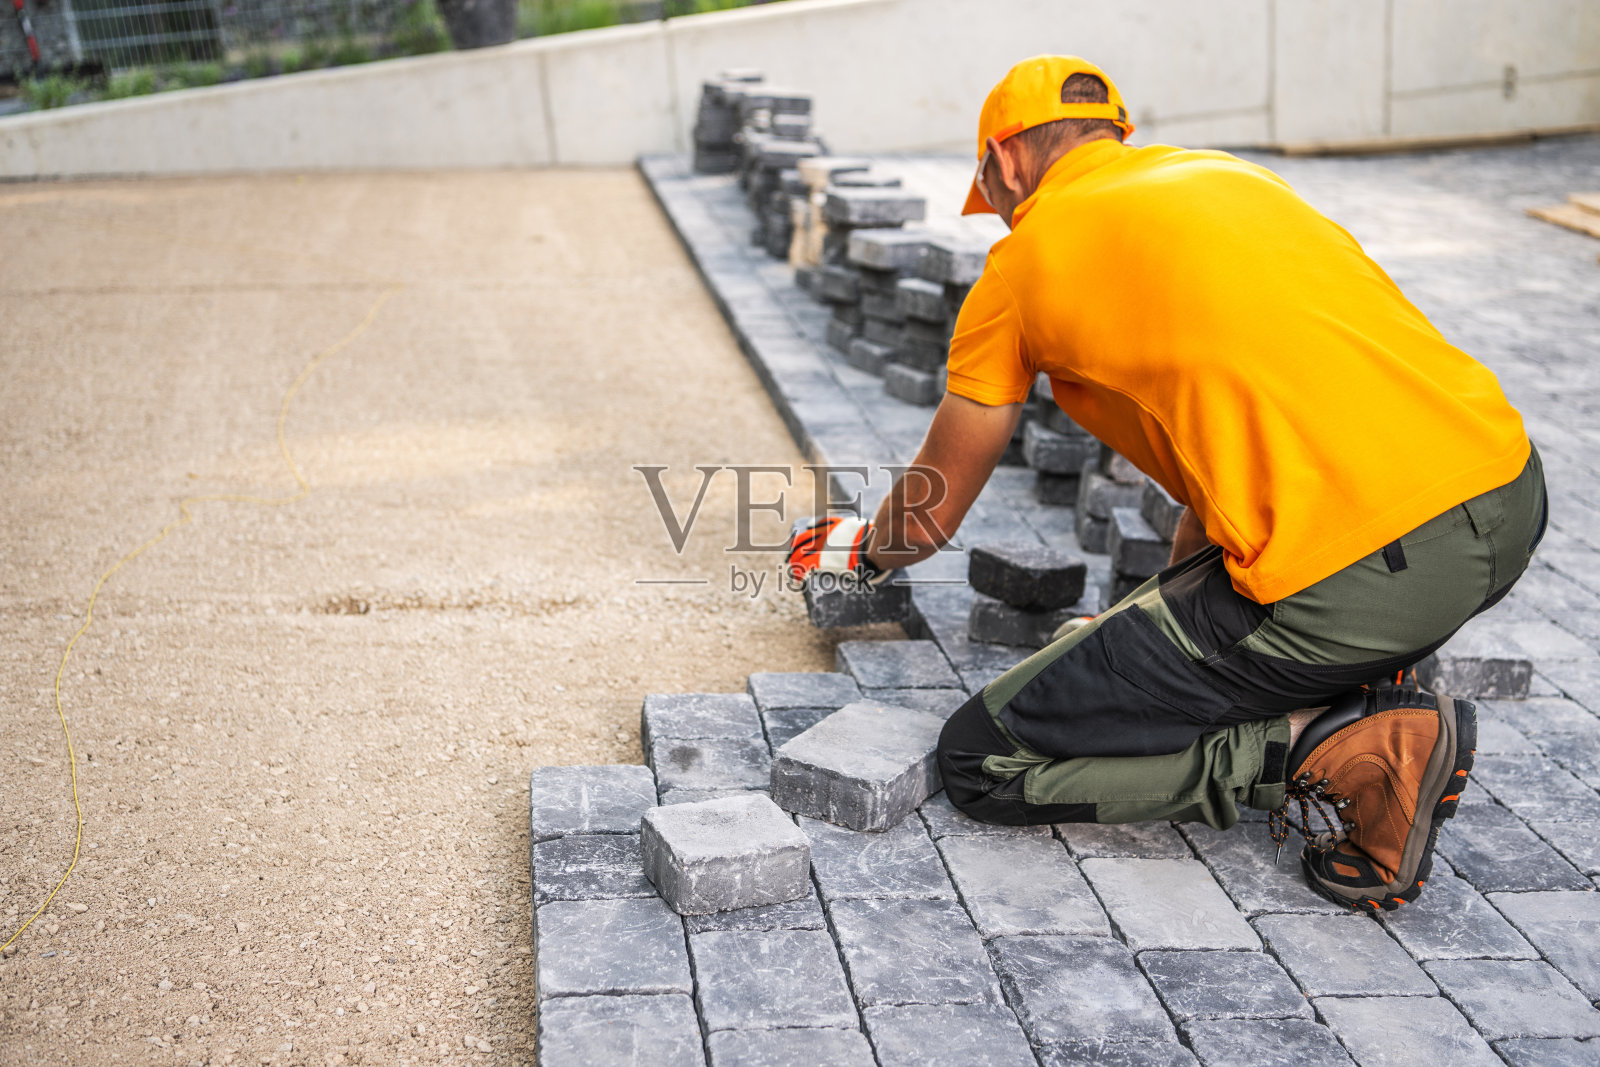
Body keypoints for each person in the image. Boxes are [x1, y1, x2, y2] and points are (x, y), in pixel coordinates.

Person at [786, 55, 1545, 914]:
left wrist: (864, 550)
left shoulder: (1022, 265)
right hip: (1509, 496)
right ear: (1113, 136)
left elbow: (924, 520)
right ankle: (1358, 690)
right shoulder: (1229, 180)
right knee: (1187, 636)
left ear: (1004, 164)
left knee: (981, 758)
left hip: (1359, 576)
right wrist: (1138, 623)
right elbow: (1214, 494)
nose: (995, 214)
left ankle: (1336, 749)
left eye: (989, 194)